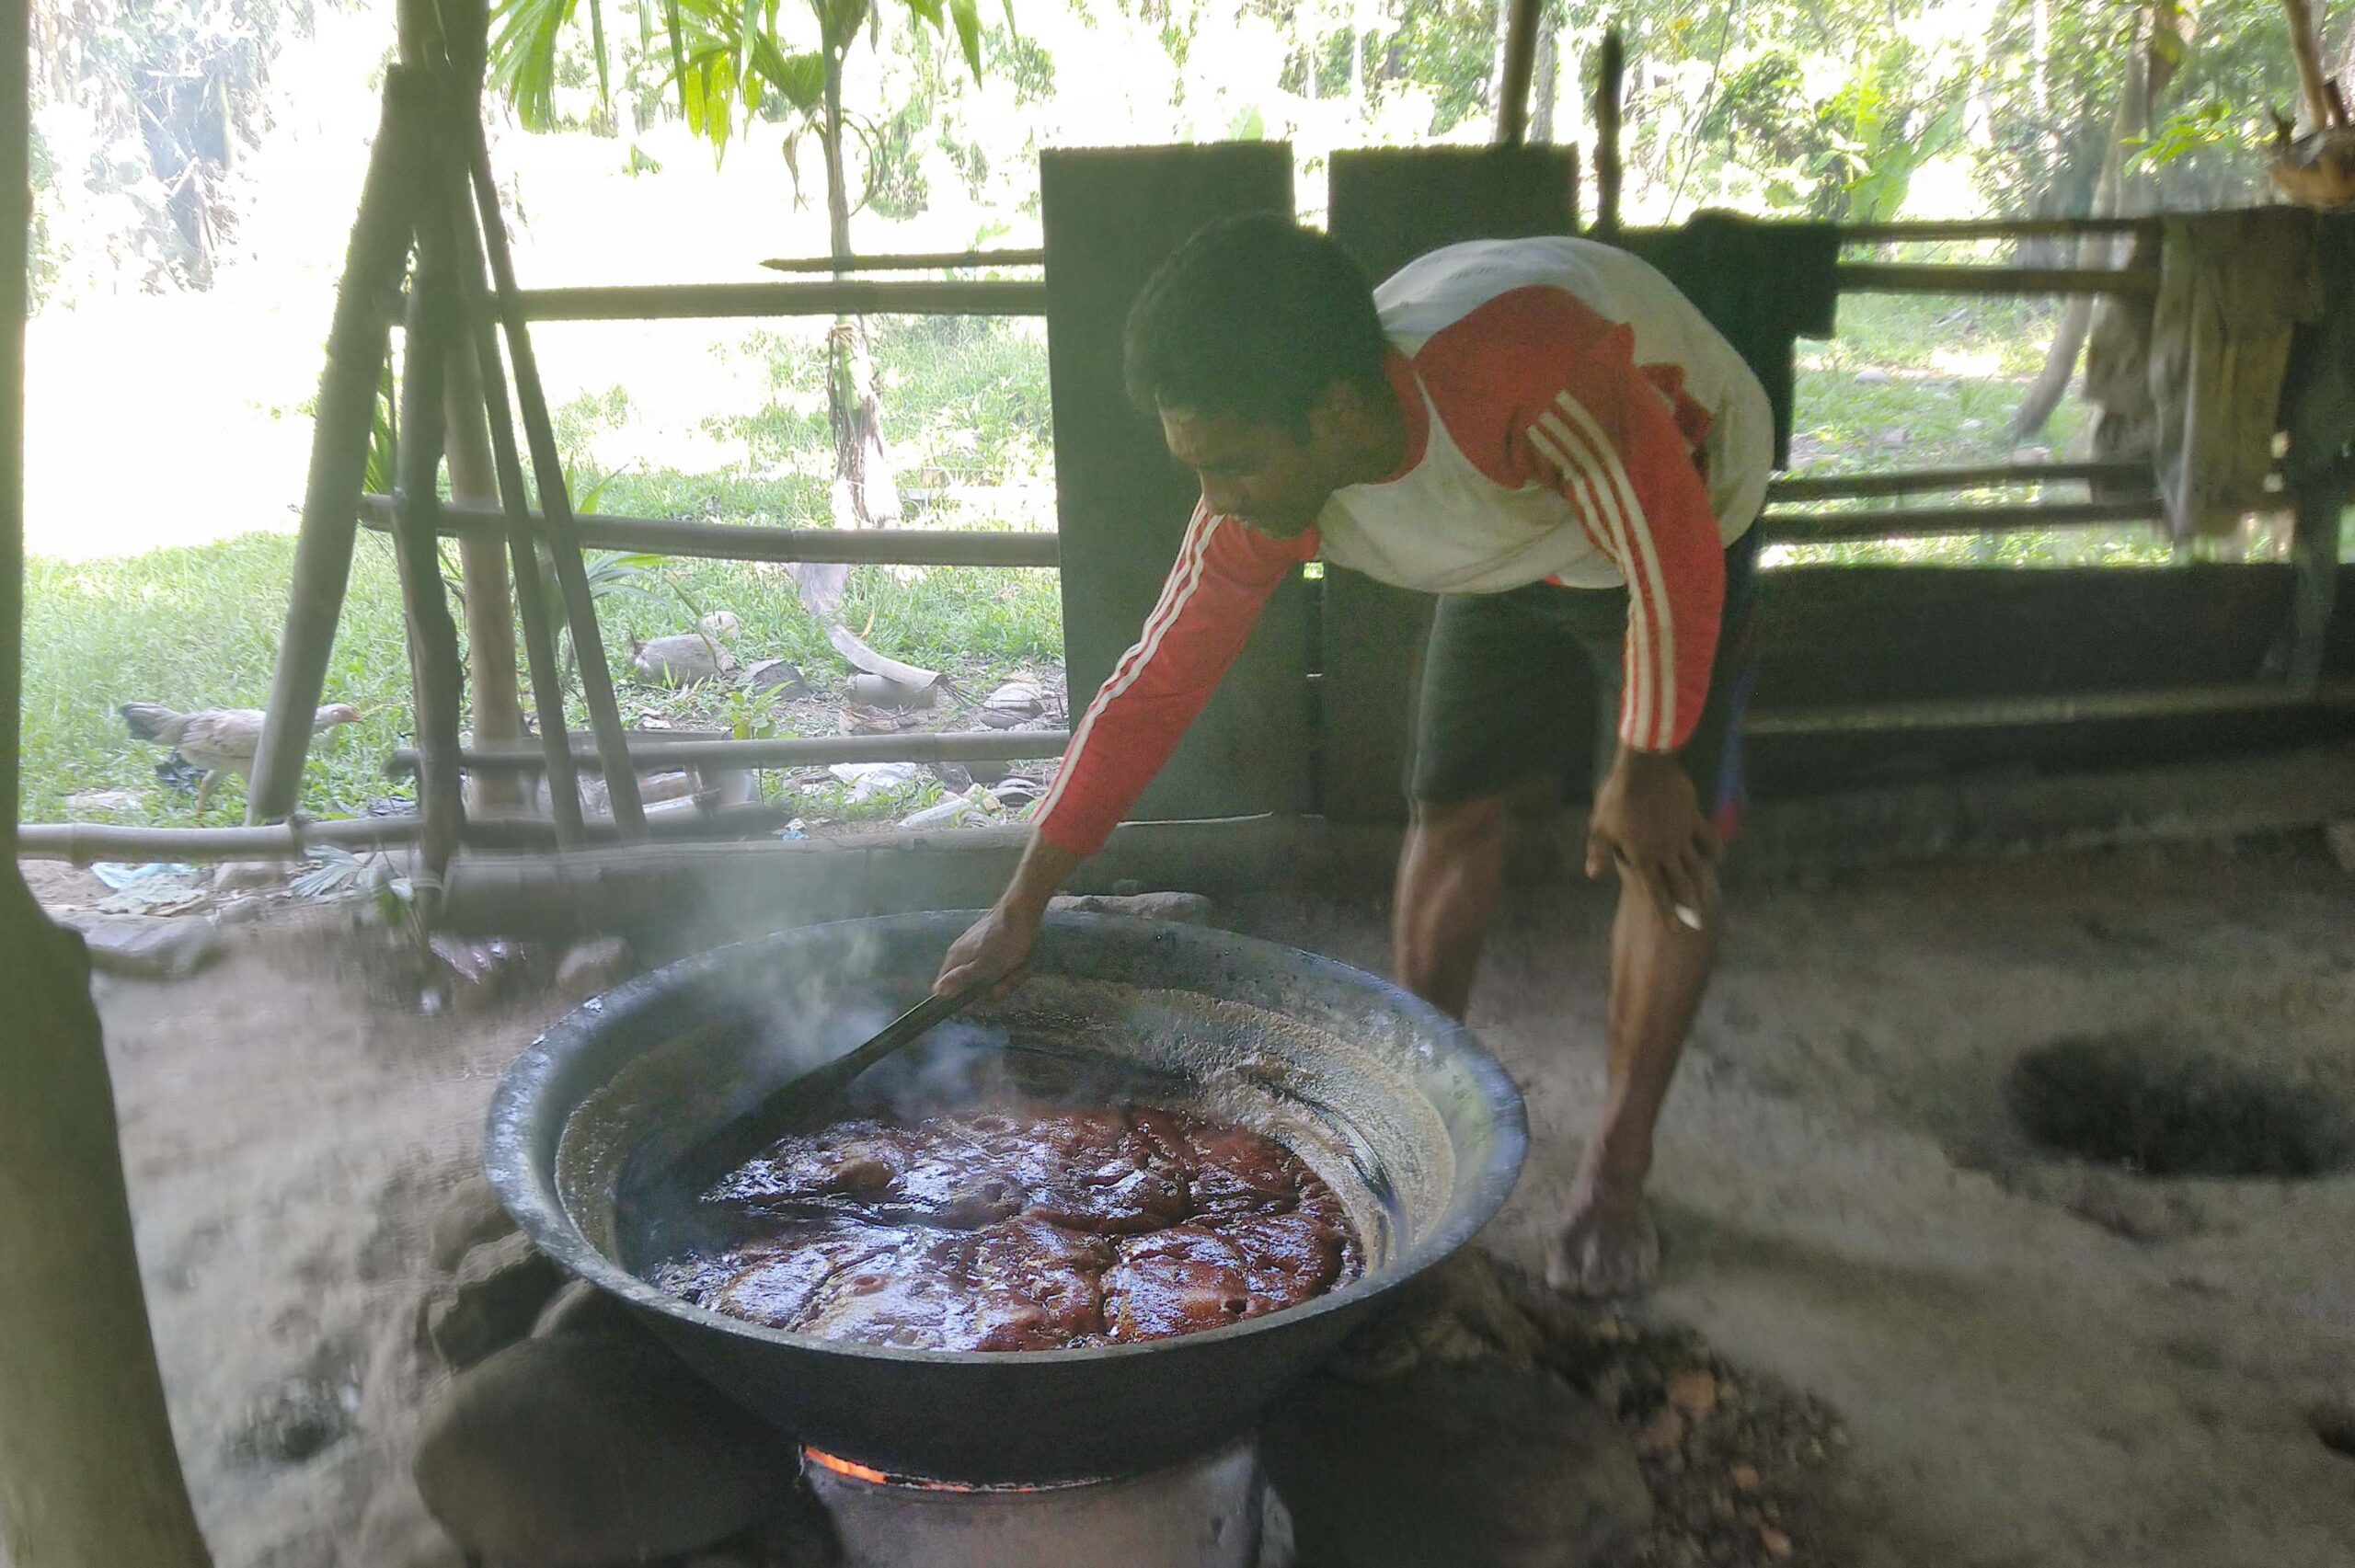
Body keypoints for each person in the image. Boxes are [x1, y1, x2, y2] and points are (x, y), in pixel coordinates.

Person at [934, 213, 1771, 1298]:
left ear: (1334, 412)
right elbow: (1151, 688)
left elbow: (1672, 545)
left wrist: (1648, 762)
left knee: (1666, 851)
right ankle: (1413, 1109)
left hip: (1684, 501)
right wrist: (1021, 905)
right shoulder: (1263, 495)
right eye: (1198, 466)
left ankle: (1617, 1169)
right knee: (1451, 804)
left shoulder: (1525, 374)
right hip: (1513, 541)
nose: (1216, 498)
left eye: (1233, 462)